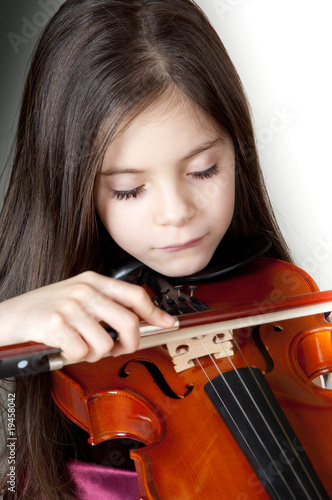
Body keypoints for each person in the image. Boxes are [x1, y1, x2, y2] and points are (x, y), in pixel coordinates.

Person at [0, 0, 291, 498]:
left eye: (204, 170)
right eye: (129, 190)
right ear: (70, 185)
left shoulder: (283, 306)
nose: (176, 212)